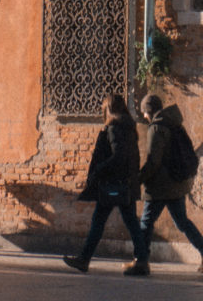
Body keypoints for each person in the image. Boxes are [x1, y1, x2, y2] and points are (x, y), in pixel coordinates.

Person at [63, 92, 150, 276]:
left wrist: (99, 169)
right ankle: (142, 260)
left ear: (108, 109)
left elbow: (118, 156)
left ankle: (84, 259)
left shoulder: (114, 128)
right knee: (131, 223)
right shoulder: (129, 128)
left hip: (113, 184)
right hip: (126, 183)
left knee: (99, 221)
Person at [139, 94, 203, 273]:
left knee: (145, 222)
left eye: (144, 112)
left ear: (149, 111)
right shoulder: (174, 123)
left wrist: (139, 179)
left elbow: (153, 161)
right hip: (177, 183)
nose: (144, 116)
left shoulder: (156, 128)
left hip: (160, 186)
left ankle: (141, 261)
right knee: (182, 221)